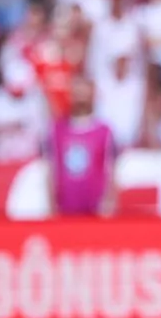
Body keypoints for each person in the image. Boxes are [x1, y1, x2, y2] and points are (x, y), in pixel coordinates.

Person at [47, 76, 117, 217]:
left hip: (95, 209)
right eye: (77, 94)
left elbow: (111, 169)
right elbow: (51, 169)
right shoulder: (57, 130)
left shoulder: (104, 132)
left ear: (93, 96)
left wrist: (109, 202)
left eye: (85, 94)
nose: (81, 99)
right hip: (65, 209)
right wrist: (52, 205)